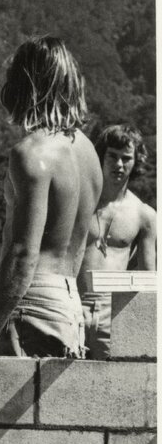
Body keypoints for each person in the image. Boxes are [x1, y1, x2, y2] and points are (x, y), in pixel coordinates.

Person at [0, 35, 102, 358]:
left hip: (31, 305)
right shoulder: (90, 155)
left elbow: (24, 254)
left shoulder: (30, 154)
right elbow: (80, 245)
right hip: (69, 306)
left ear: (25, 86)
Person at [77, 123, 157, 358]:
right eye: (113, 156)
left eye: (127, 158)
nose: (119, 165)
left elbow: (147, 283)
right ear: (101, 156)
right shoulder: (78, 204)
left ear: (136, 161)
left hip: (114, 311)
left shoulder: (144, 215)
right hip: (72, 305)